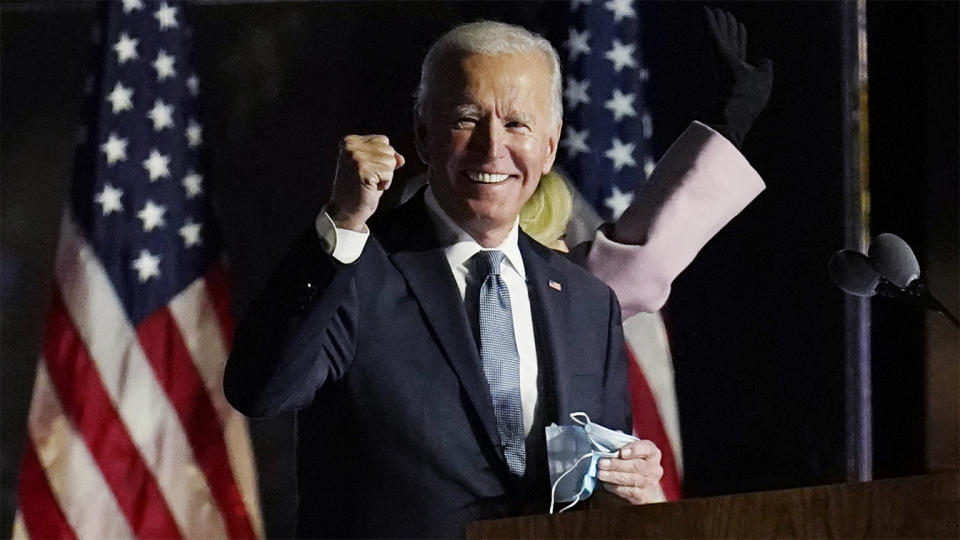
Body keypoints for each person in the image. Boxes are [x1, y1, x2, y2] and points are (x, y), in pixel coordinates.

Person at [226, 17, 768, 538]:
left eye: (517, 124)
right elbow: (262, 391)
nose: (492, 147)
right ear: (422, 132)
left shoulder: (585, 300)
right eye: (466, 118)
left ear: (550, 145)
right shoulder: (356, 268)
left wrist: (624, 481)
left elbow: (586, 489)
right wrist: (344, 223)